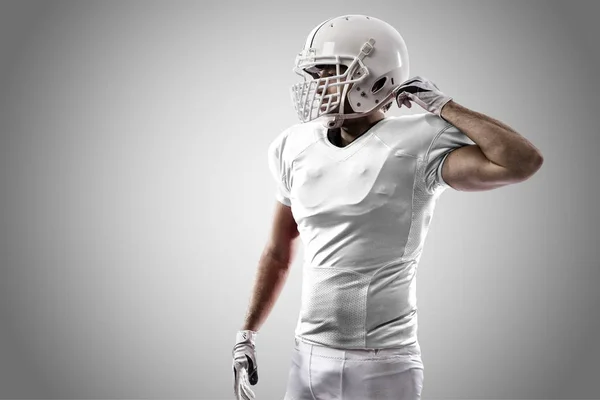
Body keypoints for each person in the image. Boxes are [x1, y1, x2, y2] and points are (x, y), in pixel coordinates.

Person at [232, 14, 543, 400]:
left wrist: (446, 106)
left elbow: (521, 162)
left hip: (381, 364)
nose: (318, 85)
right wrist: (247, 334)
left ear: (375, 77)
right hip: (306, 356)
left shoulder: (418, 141)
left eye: (331, 72)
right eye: (315, 74)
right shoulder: (293, 145)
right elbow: (278, 252)